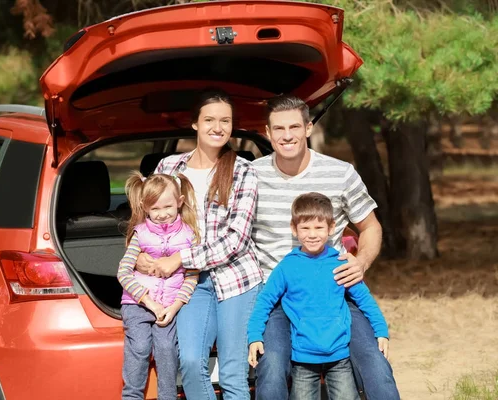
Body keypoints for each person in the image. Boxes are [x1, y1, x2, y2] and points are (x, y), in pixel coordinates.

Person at [251, 94, 400, 400]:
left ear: (308, 127)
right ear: (267, 132)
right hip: (279, 297)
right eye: (278, 129)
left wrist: (360, 264)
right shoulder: (251, 176)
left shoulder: (340, 172)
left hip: (335, 294)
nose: (287, 135)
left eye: (294, 126)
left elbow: (370, 227)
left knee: (374, 365)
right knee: (272, 364)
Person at [136, 89, 262, 400]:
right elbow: (148, 221)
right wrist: (138, 254)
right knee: (191, 363)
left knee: (233, 374)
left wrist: (179, 257)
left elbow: (237, 239)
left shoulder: (243, 170)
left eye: (225, 121)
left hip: (236, 280)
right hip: (190, 283)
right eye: (209, 120)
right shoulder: (169, 168)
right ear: (194, 124)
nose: (217, 127)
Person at [247, 192, 390, 400]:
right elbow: (265, 302)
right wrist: (255, 336)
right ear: (294, 229)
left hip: (339, 357)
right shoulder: (287, 267)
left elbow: (365, 300)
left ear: (331, 228)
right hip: (303, 360)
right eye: (305, 228)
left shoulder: (341, 264)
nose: (312, 234)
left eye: (319, 227)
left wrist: (381, 330)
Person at [117, 171, 200, 400]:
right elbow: (123, 272)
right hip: (138, 304)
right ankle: (131, 396)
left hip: (169, 307)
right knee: (141, 347)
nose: (162, 214)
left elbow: (192, 275)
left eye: (168, 207)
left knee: (166, 350)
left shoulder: (189, 235)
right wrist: (149, 302)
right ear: (145, 207)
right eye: (155, 209)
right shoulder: (140, 234)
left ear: (180, 202)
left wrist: (174, 307)